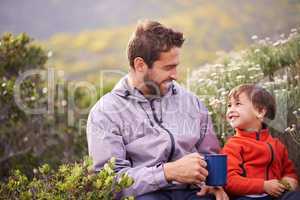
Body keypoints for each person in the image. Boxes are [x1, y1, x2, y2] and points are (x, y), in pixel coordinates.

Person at [86, 20, 228, 200]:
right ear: (140, 65)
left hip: (194, 193)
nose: (176, 75)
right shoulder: (105, 112)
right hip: (145, 195)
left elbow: (211, 154)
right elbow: (108, 184)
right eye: (168, 68)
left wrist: (213, 183)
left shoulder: (191, 101)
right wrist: (166, 173)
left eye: (176, 66)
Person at [222, 84, 300, 200]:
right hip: (247, 197)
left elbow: (289, 171)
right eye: (229, 105)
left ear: (260, 111)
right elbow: (229, 180)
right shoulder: (233, 145)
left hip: (277, 195)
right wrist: (263, 186)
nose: (231, 109)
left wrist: (290, 180)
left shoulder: (277, 145)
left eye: (238, 104)